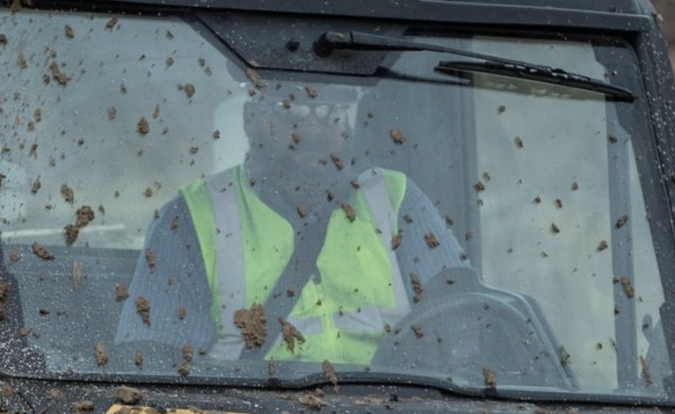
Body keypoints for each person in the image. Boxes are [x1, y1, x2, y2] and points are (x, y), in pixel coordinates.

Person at [114, 81, 472, 366]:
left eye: (330, 110)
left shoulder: (396, 198)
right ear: (249, 118)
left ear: (347, 122)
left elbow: (468, 334)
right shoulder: (191, 218)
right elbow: (154, 372)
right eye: (290, 108)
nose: (312, 127)